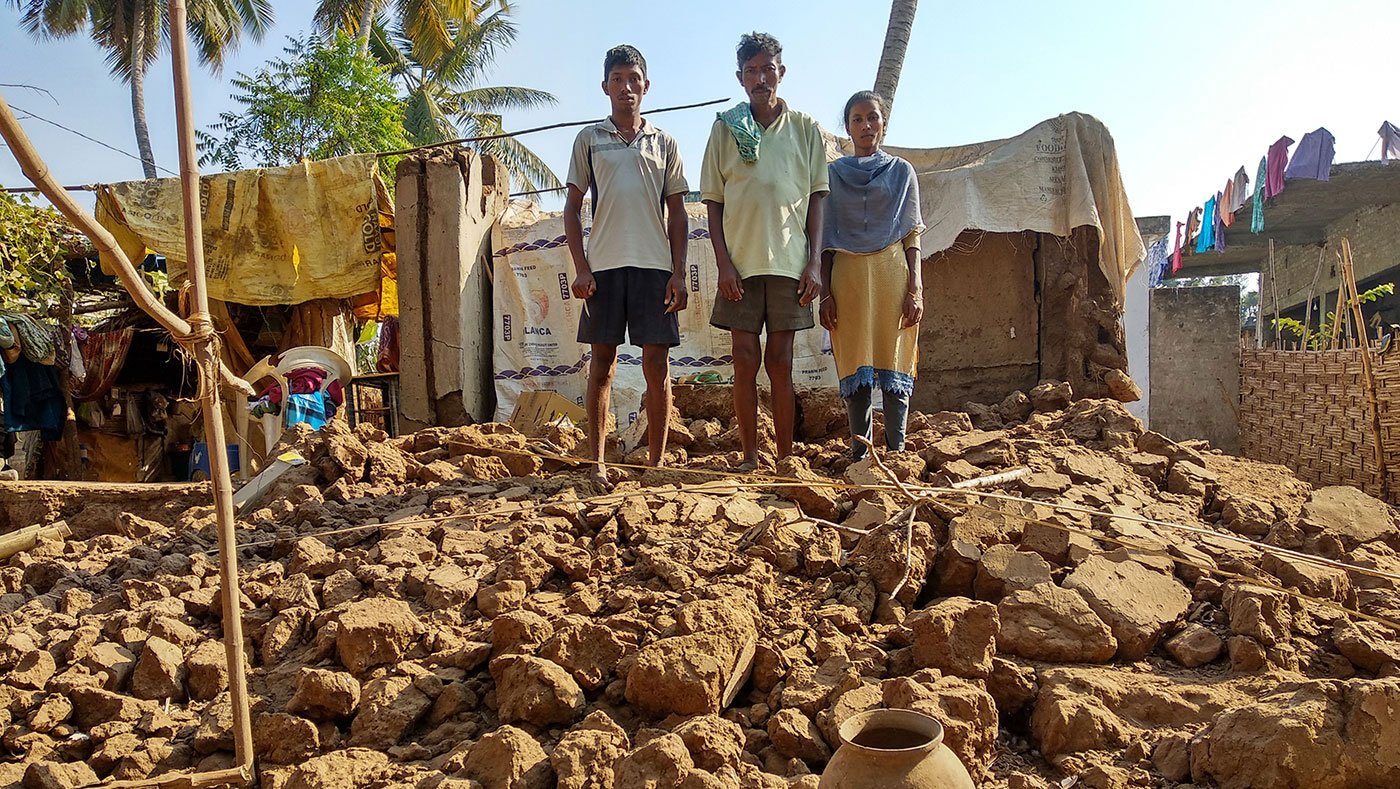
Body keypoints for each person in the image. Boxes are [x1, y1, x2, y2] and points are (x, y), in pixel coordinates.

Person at [701, 32, 829, 469]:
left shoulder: (805, 128)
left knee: (781, 361)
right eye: (751, 70)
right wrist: (722, 265)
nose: (760, 78)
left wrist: (813, 263)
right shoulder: (725, 128)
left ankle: (786, 458)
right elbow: (713, 203)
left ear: (781, 73)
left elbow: (817, 197)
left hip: (790, 264)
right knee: (743, 360)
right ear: (740, 78)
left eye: (767, 69)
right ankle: (750, 456)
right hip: (740, 263)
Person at [564, 45, 689, 490]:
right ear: (605, 87)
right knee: (602, 363)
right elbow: (572, 208)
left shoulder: (665, 143)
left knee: (657, 364)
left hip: (655, 268)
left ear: (646, 86)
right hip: (604, 270)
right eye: (617, 79)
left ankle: (655, 466)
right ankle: (596, 462)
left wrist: (678, 271)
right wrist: (581, 268)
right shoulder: (589, 139)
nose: (625, 87)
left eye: (633, 78)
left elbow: (678, 213)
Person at [819, 90, 925, 461]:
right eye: (857, 119)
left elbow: (912, 235)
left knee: (894, 357)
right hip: (846, 280)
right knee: (855, 362)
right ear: (847, 128)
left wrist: (916, 289)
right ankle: (859, 454)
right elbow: (826, 240)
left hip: (891, 276)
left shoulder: (902, 172)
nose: (866, 126)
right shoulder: (832, 176)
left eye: (872, 118)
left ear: (884, 123)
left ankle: (897, 451)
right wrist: (825, 295)